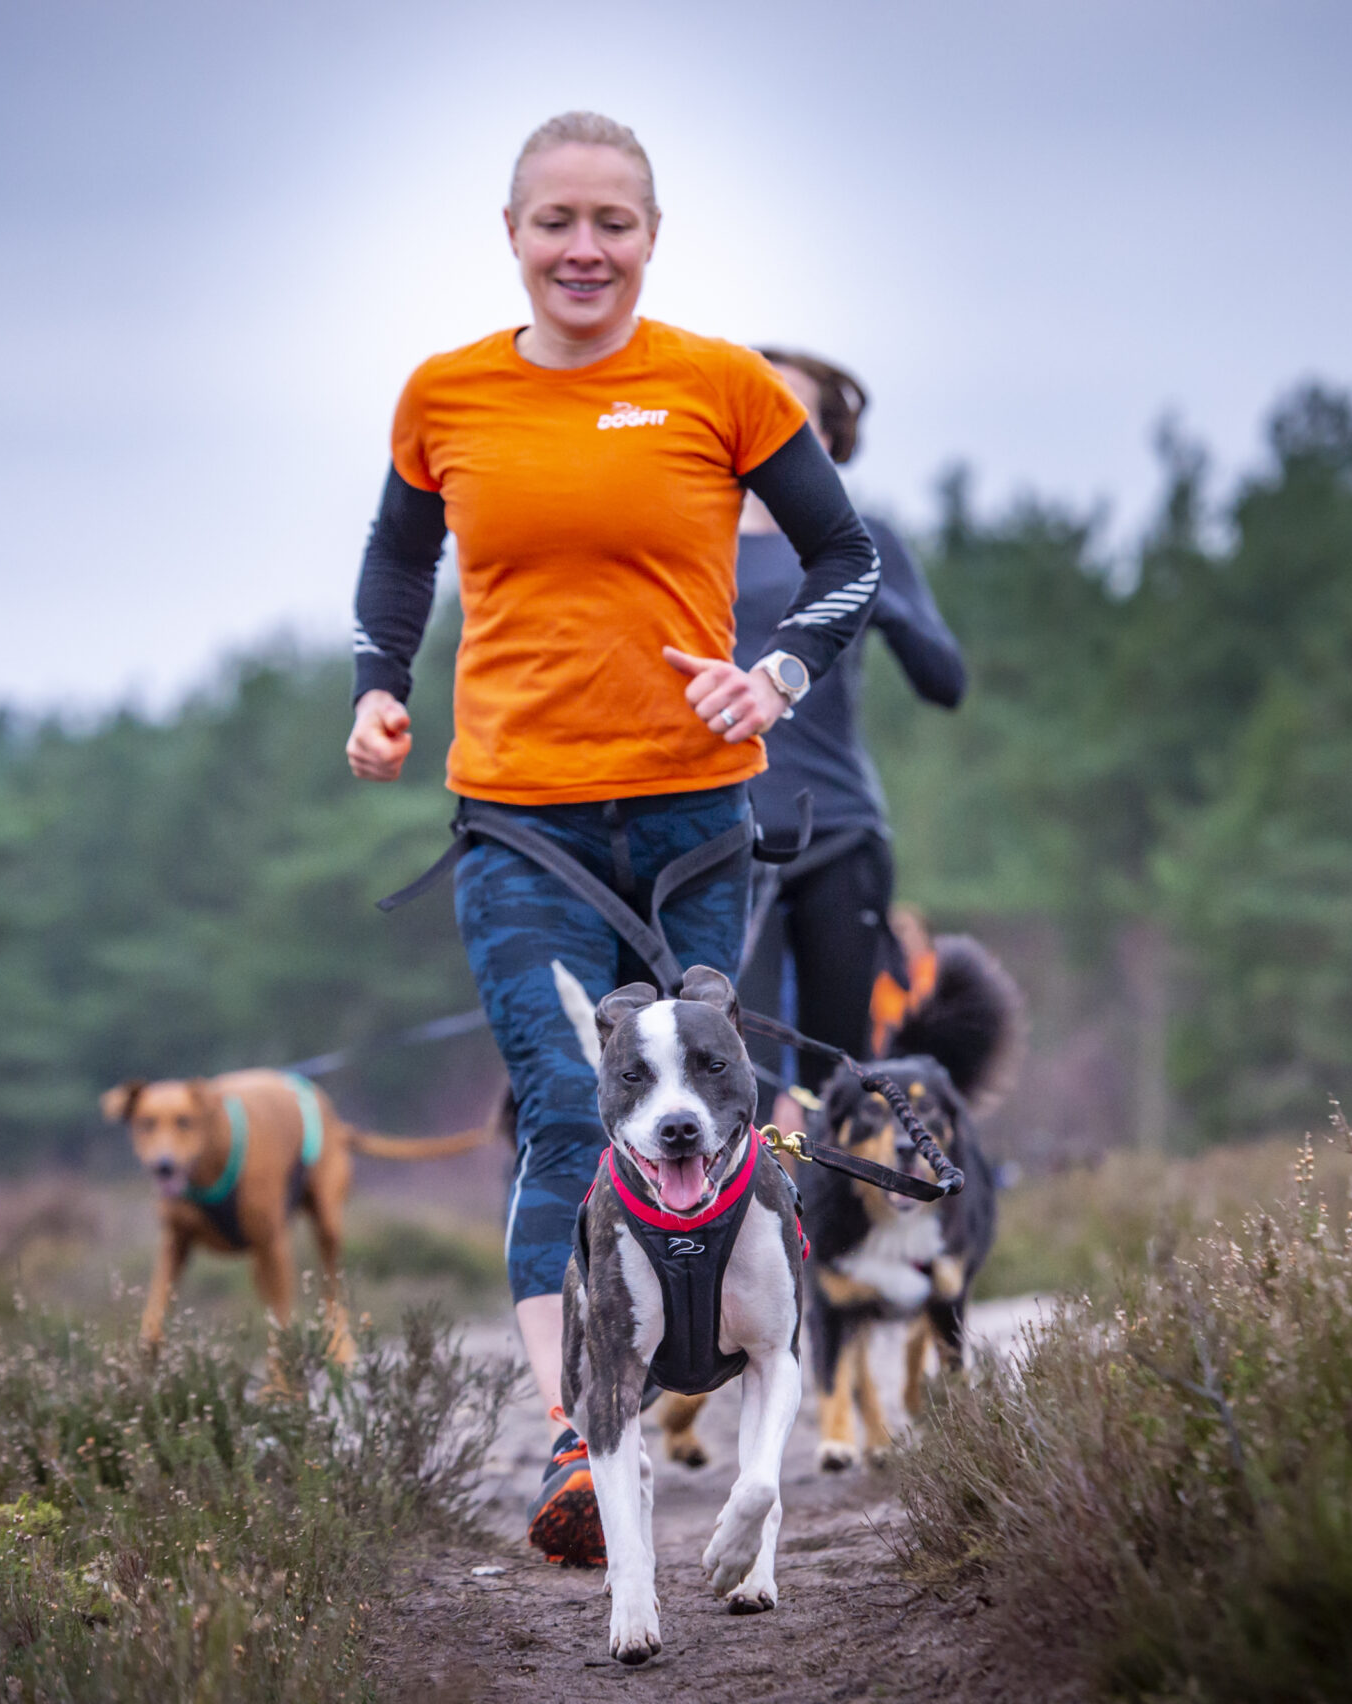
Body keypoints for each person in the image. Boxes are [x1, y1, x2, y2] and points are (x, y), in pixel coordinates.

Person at [344, 112, 880, 1565]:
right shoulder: (447, 395)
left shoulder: (716, 386)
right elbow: (401, 555)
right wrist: (381, 688)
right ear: (511, 233)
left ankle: (720, 1361)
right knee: (568, 1114)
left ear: (652, 236)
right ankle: (584, 1438)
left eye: (613, 224)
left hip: (700, 819)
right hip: (520, 819)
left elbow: (848, 558)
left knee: (697, 1125)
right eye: (555, 222)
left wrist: (775, 675)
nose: (585, 249)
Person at [731, 352, 966, 1122]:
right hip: (725, 834)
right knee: (741, 1069)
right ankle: (753, 1242)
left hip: (838, 833)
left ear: (826, 439)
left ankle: (837, 1235)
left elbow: (946, 682)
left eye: (785, 408)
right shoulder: (694, 537)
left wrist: (869, 590)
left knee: (839, 1072)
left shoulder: (868, 542)